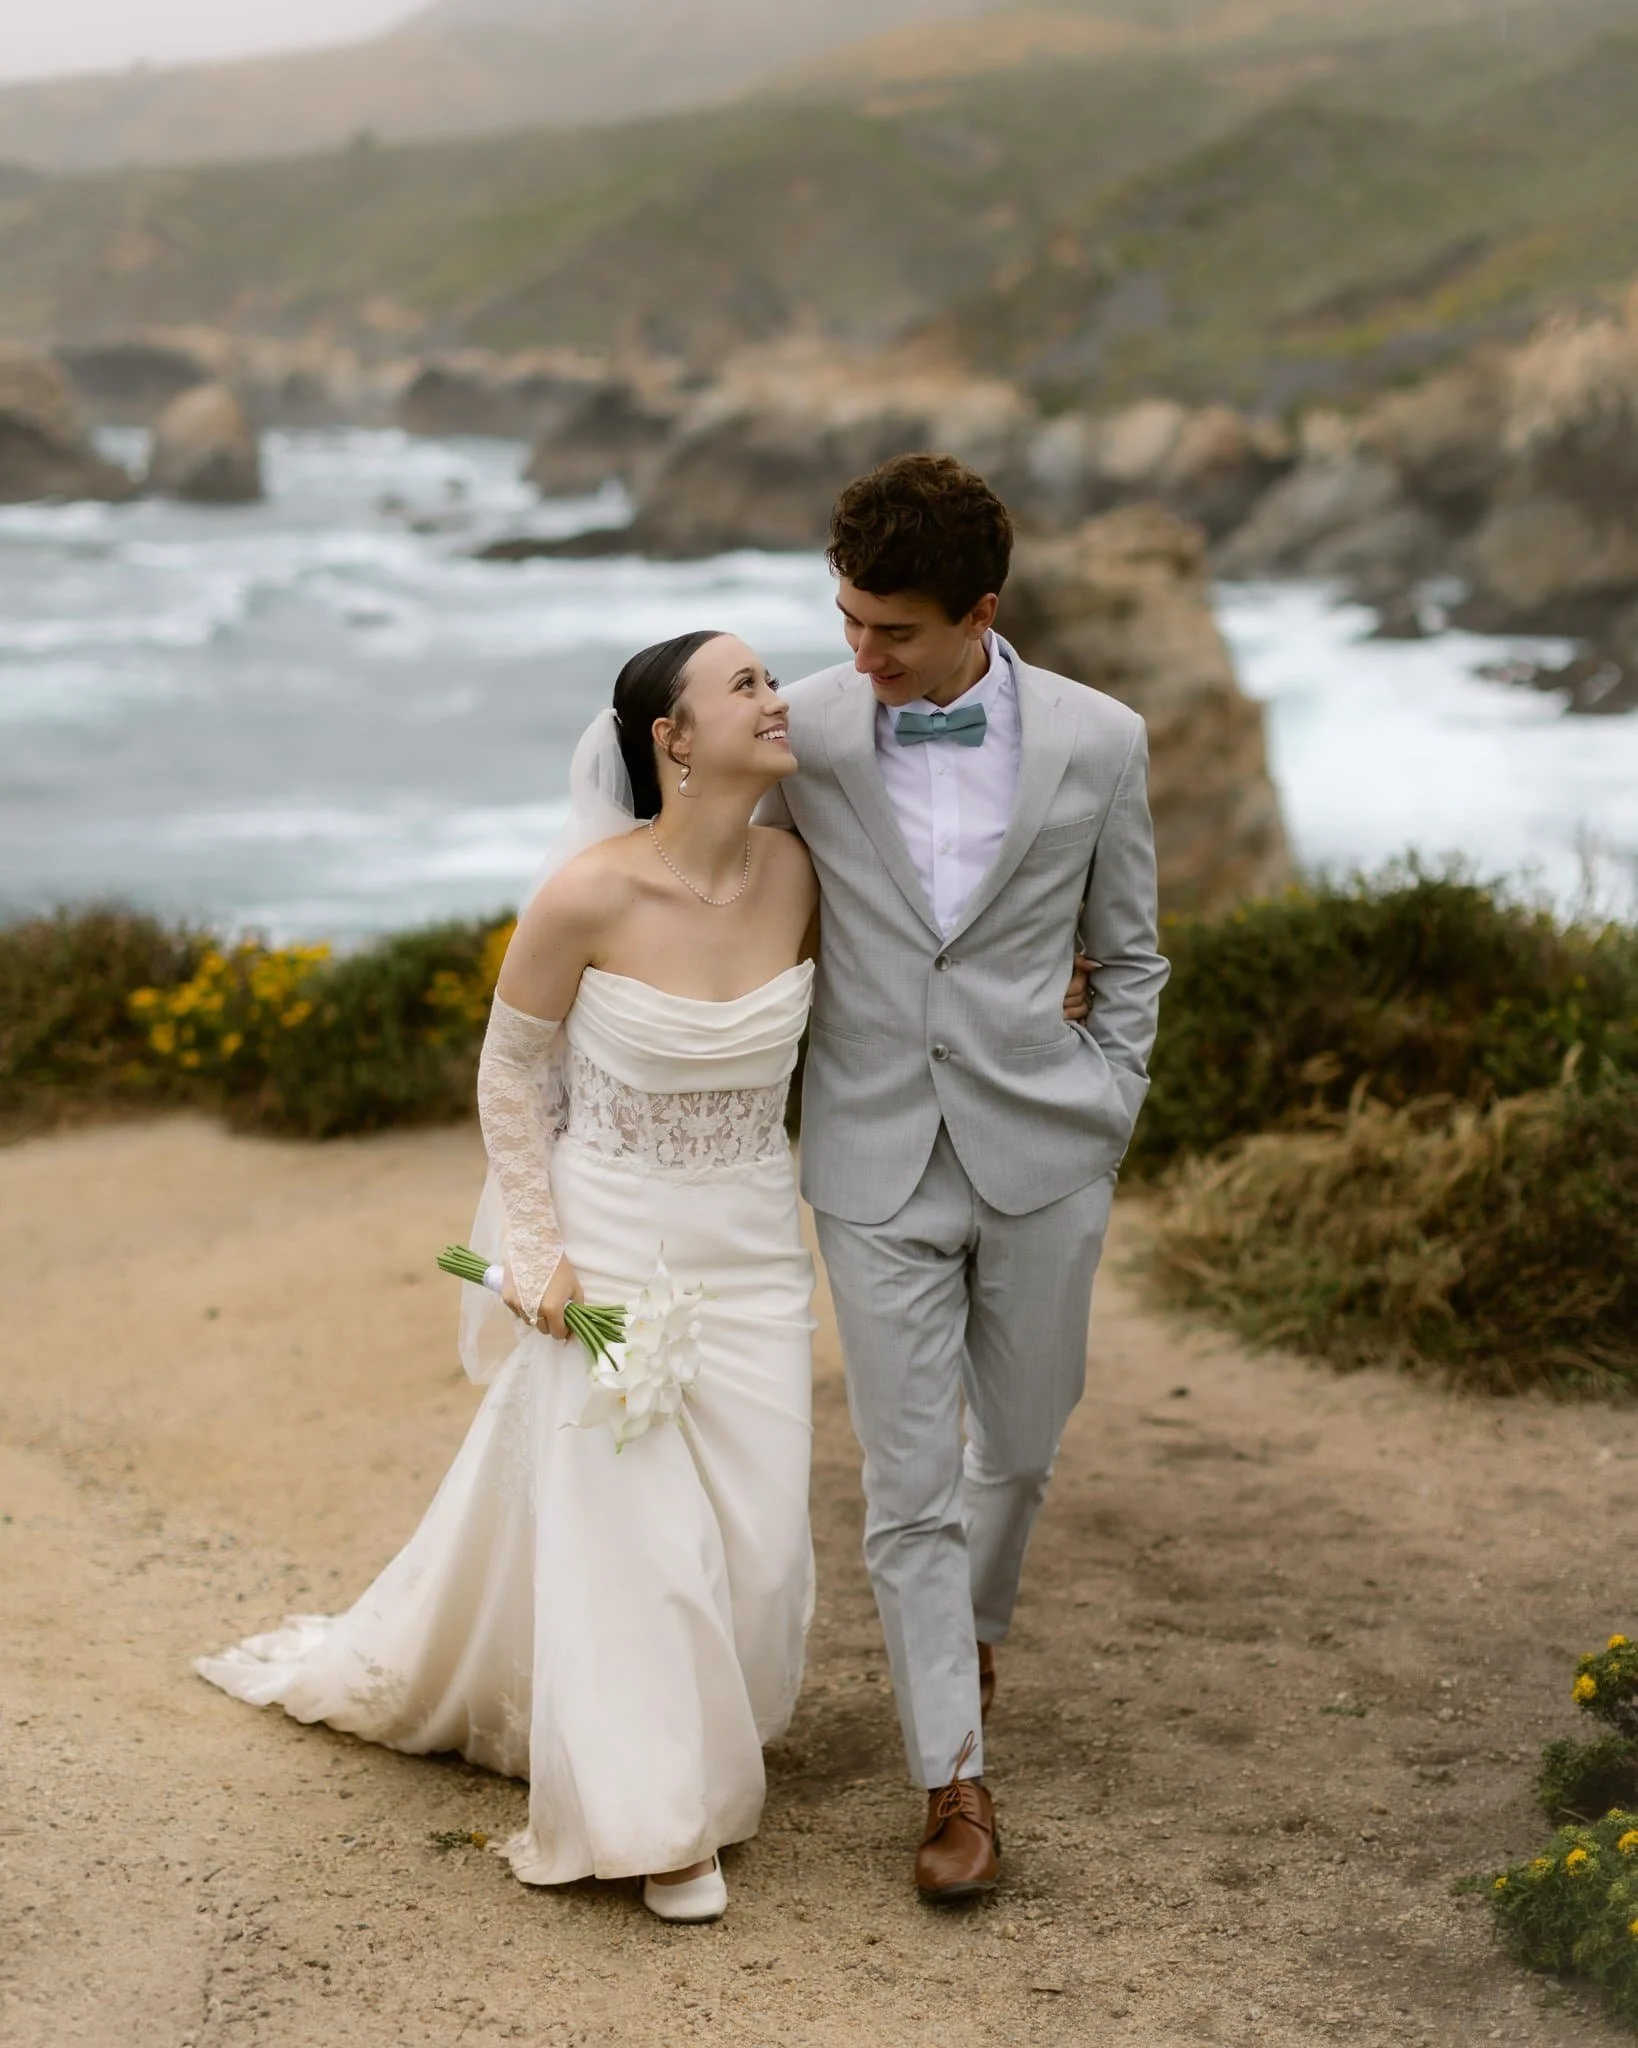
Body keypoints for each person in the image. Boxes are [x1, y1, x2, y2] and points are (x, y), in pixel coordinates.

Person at [196, 629, 821, 1925]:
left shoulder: (800, 875)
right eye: (747, 684)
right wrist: (534, 1251)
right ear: (675, 739)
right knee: (633, 1536)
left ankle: (670, 1735)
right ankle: (655, 1823)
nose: (777, 698)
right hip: (613, 1243)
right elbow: (509, 1077)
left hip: (756, 1247)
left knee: (756, 1551)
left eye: (771, 679)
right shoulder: (584, 896)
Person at [761, 453, 1168, 1902]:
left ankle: (973, 1620)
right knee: (905, 1480)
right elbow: (713, 882)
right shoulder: (794, 727)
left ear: (979, 611)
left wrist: (1106, 1102)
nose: (858, 653)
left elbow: (1129, 950)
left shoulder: (1100, 738)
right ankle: (952, 1775)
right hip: (869, 1156)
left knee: (1025, 1436)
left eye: (893, 632)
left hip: (1044, 1148)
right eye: (847, 619)